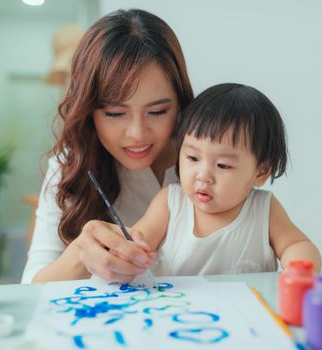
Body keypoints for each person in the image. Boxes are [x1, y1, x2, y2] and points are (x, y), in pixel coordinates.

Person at [21, 9, 194, 283]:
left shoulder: (209, 157)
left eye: (158, 111)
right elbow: (31, 285)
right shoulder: (70, 165)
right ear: (89, 111)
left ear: (180, 102)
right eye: (115, 113)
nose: (137, 134)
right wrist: (80, 254)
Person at [132, 83, 321, 276]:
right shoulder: (170, 203)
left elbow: (297, 244)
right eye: (193, 158)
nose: (203, 176)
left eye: (223, 165)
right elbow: (136, 240)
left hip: (246, 306)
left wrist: (299, 268)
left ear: (260, 172)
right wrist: (130, 252)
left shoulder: (264, 210)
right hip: (176, 306)